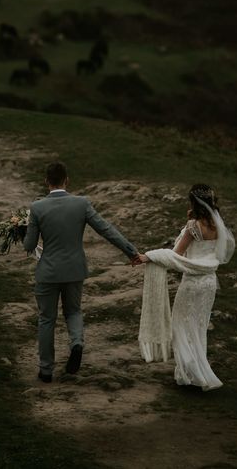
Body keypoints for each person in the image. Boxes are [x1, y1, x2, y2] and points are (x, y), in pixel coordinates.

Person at [24, 162, 140, 383]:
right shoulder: (82, 203)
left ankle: (46, 370)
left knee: (46, 319)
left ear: (46, 181)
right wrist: (131, 251)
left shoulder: (37, 207)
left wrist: (23, 231)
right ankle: (77, 342)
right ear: (67, 180)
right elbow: (106, 229)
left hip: (48, 272)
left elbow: (29, 245)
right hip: (75, 270)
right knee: (74, 312)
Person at [135, 184, 235, 391]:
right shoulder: (217, 225)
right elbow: (218, 253)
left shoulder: (193, 226)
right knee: (198, 328)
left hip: (192, 282)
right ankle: (192, 373)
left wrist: (150, 256)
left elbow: (176, 255)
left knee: (180, 326)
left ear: (193, 203)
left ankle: (190, 374)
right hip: (209, 282)